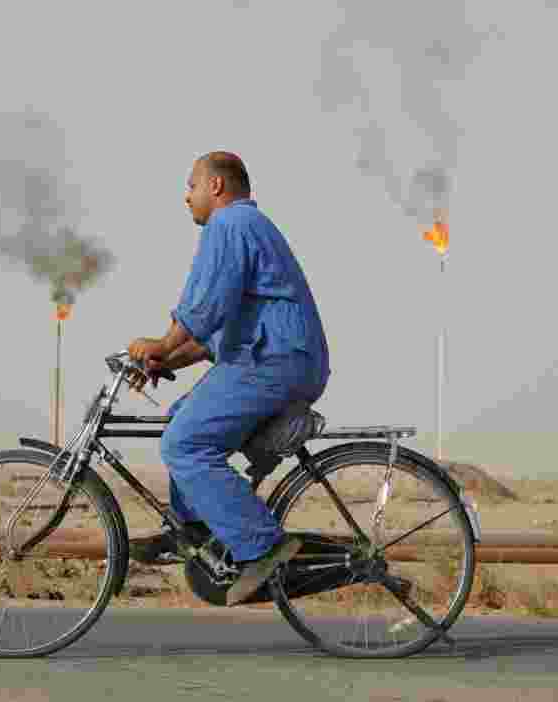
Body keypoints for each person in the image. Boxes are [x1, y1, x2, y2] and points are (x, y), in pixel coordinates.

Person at [126, 151, 331, 606]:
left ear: (216, 186)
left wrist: (160, 344)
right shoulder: (249, 228)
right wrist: (168, 363)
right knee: (184, 417)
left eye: (191, 186)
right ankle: (194, 531)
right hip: (278, 359)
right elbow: (213, 335)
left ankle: (261, 547)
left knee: (184, 443)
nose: (186, 197)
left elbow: (206, 305)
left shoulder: (231, 224)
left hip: (273, 362)